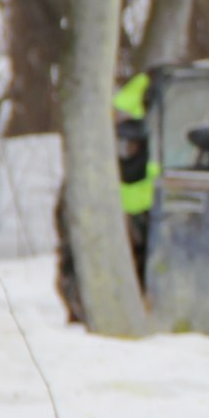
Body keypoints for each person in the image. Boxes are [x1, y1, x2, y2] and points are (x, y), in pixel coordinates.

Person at [55, 70, 157, 325]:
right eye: (118, 142)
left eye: (130, 144)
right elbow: (71, 248)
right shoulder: (88, 181)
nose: (124, 152)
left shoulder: (160, 176)